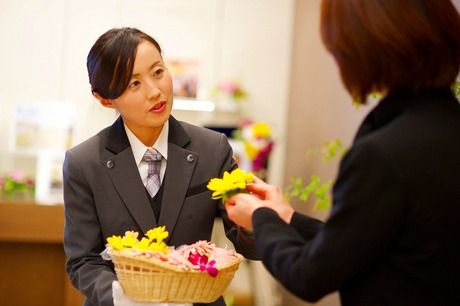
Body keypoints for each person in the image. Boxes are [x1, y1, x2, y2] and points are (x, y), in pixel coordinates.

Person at [225, 1, 460, 305]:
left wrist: (261, 217)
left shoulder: (383, 155)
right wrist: (288, 218)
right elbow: (360, 239)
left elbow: (308, 276)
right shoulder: (445, 126)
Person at [63, 27, 257, 306]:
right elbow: (83, 261)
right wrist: (125, 298)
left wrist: (253, 222)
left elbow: (248, 245)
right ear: (104, 99)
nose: (155, 92)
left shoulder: (212, 149)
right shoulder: (84, 164)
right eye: (134, 84)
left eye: (157, 72)